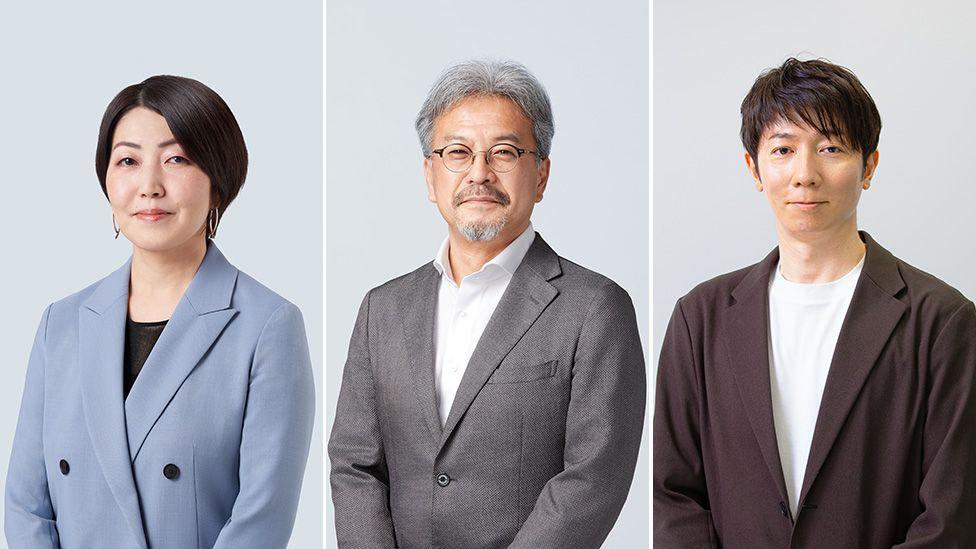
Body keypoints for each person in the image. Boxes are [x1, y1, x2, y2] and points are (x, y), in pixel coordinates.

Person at [654, 57, 976, 547]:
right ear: (754, 168)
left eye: (830, 148)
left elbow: (952, 519)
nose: (804, 174)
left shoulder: (942, 321)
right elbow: (674, 496)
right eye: (782, 149)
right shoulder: (700, 318)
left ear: (869, 165)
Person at [329, 59, 646, 548]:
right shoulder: (382, 310)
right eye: (457, 152)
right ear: (430, 176)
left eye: (504, 152)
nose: (479, 173)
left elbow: (594, 476)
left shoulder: (595, 308)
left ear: (541, 175)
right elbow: (354, 465)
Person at [4, 75, 315, 549]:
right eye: (128, 160)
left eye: (176, 159)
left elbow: (261, 520)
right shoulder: (61, 324)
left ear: (217, 180)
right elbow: (26, 506)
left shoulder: (267, 327)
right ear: (106, 179)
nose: (149, 186)